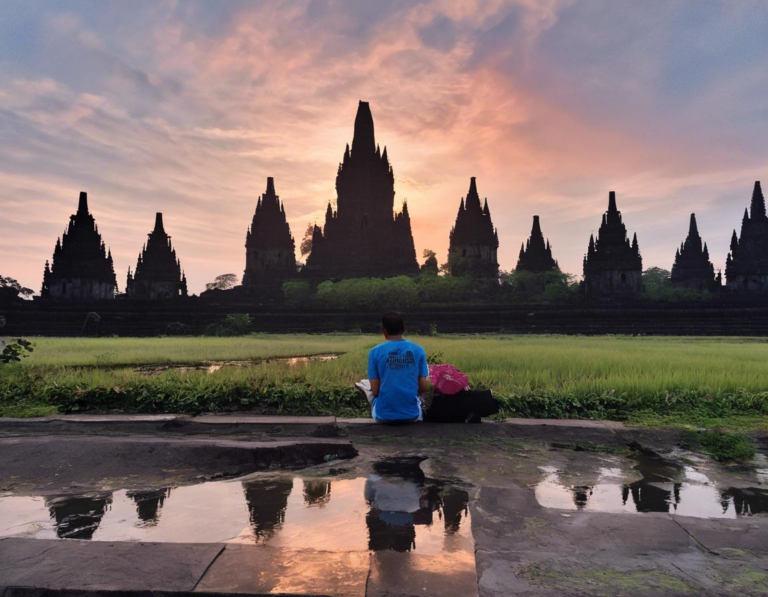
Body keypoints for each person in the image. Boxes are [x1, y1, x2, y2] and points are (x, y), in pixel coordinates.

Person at [368, 312, 430, 423]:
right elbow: (423, 387)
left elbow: (376, 391)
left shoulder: (375, 352)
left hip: (383, 416)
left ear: (384, 329)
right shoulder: (418, 349)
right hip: (412, 415)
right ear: (403, 328)